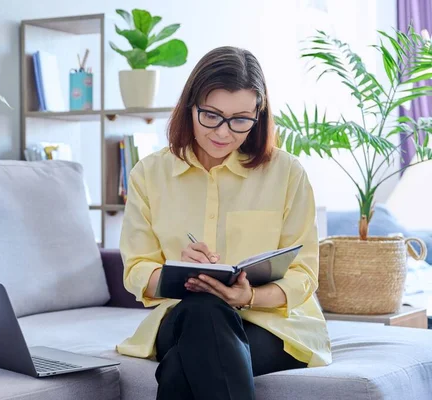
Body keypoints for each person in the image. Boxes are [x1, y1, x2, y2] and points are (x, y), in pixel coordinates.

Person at [116, 46, 332, 400]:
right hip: (184, 316)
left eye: (240, 119)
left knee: (179, 369)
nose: (224, 132)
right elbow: (137, 270)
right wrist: (180, 273)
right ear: (191, 106)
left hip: (274, 326)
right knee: (203, 310)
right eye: (211, 116)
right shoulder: (149, 175)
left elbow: (304, 273)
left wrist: (248, 296)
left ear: (258, 114)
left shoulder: (287, 173)